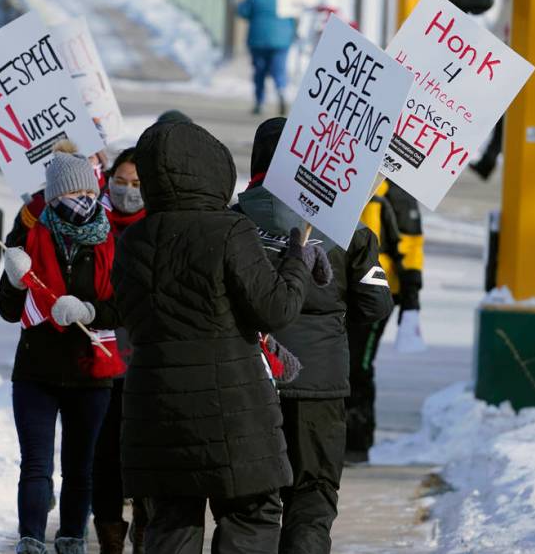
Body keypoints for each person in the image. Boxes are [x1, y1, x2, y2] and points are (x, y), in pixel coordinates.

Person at [112, 116, 329, 554]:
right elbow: (276, 308)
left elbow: (129, 324)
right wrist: (296, 261)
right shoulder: (230, 230)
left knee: (171, 524)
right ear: (212, 169)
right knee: (250, 517)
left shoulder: (133, 241)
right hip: (234, 409)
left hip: (156, 410)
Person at [235, 117, 393, 554]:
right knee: (313, 493)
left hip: (248, 378)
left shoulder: (230, 222)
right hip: (319, 388)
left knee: (251, 499)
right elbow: (376, 306)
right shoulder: (348, 229)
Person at [0, 141, 123, 554]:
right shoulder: (32, 235)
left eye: (88, 193)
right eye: (73, 193)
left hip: (92, 373)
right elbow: (8, 309)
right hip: (37, 370)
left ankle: (71, 536)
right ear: (53, 196)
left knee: (80, 466)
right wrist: (16, 282)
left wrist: (89, 310)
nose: (83, 201)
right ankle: (30, 537)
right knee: (36, 463)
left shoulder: (110, 240)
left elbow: (122, 305)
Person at [346, 179, 424, 463]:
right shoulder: (348, 174)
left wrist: (412, 293)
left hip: (377, 292)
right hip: (338, 286)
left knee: (358, 366)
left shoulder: (395, 192)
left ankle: (357, 441)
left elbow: (411, 244)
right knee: (340, 362)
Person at [93, 147, 147, 553]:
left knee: (145, 454)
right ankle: (110, 536)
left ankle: (147, 529)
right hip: (101, 358)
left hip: (145, 358)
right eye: (121, 182)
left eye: (137, 184)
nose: (127, 191)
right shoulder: (92, 223)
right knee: (105, 454)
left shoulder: (158, 226)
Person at [237, 0, 297, 115]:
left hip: (258, 40)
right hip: (281, 41)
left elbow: (242, 12)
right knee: (279, 70)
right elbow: (294, 18)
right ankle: (281, 91)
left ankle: (260, 102)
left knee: (260, 71)